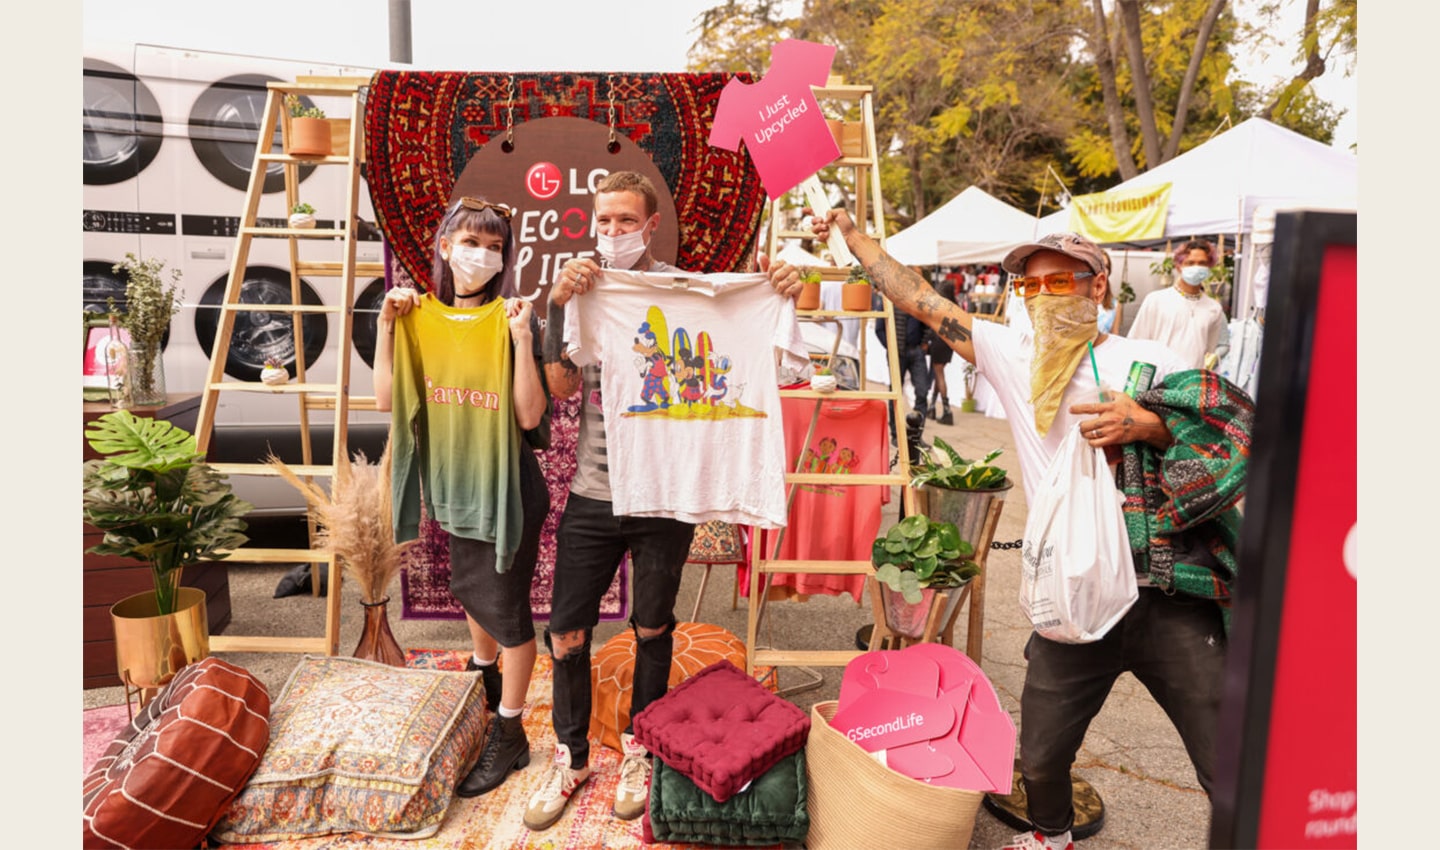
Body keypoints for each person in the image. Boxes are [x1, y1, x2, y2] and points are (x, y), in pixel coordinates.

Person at [812, 210, 1252, 850]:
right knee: (1043, 757)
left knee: (1227, 764)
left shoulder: (1149, 362)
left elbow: (1227, 433)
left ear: (1097, 286)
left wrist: (1149, 425)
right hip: (1071, 599)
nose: (1042, 297)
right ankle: (1051, 836)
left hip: (1163, 593)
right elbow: (920, 299)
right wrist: (853, 237)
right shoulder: (1015, 356)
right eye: (1030, 286)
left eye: (1059, 282)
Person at [527, 170, 803, 832]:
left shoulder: (693, 294)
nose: (614, 233)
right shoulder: (592, 291)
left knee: (653, 626)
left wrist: (783, 293)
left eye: (627, 220)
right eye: (604, 222)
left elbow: (778, 362)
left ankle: (640, 750)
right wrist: (560, 305)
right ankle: (570, 755)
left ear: (651, 225)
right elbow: (562, 387)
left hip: (665, 498)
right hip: (595, 495)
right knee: (566, 631)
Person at [374, 195, 551, 798]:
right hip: (453, 482)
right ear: (445, 248)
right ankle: (484, 685)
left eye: (495, 247)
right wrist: (385, 326)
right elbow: (385, 400)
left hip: (508, 489)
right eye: (471, 242)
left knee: (508, 613)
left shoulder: (513, 317)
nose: (482, 255)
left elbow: (530, 415)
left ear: (504, 260)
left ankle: (511, 731)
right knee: (469, 591)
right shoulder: (416, 317)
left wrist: (524, 340)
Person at [1126, 238, 1227, 369]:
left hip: (1191, 383)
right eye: (1190, 263)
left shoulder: (1213, 308)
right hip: (1158, 381)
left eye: (1202, 263)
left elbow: (1208, 350)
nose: (1196, 267)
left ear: (1209, 266)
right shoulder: (1156, 300)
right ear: (1179, 266)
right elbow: (1136, 343)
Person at [926, 271, 956, 424]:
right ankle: (932, 407)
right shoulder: (954, 308)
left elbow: (932, 327)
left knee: (939, 375)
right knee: (939, 375)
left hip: (938, 342)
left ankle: (946, 410)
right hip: (948, 344)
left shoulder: (940, 308)